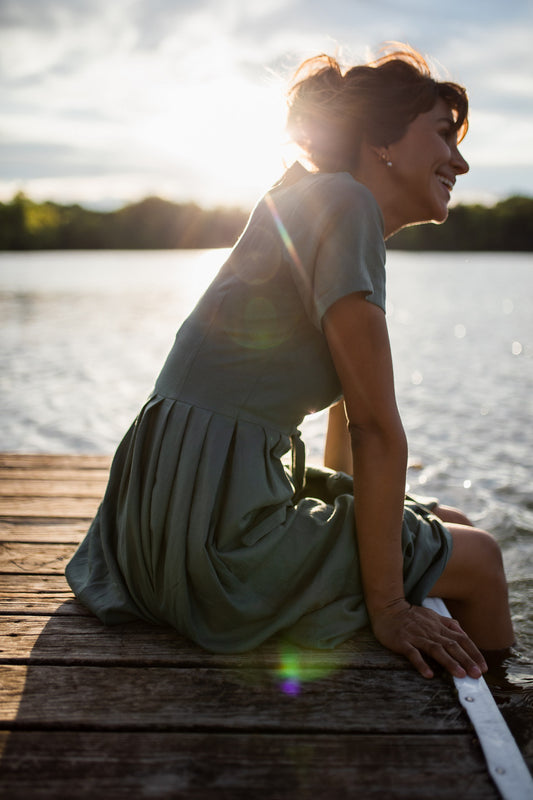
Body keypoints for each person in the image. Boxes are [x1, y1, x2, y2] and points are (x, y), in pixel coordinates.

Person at [66, 44, 514, 680]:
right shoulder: (348, 206)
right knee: (485, 558)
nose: (461, 162)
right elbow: (377, 428)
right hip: (216, 540)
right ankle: (507, 722)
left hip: (154, 520)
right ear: (384, 139)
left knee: (451, 524)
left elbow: (346, 422)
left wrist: (358, 527)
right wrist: (386, 604)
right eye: (445, 135)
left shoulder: (301, 194)